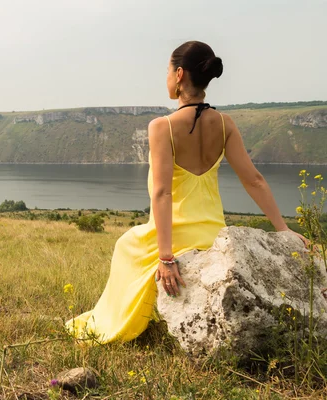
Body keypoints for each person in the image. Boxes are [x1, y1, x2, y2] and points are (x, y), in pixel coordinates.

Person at [65, 40, 307, 344]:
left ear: (179, 74)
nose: (165, 76)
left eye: (167, 70)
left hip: (173, 236)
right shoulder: (225, 123)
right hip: (212, 234)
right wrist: (283, 229)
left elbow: (163, 193)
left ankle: (117, 325)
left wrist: (166, 257)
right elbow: (254, 180)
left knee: (127, 245)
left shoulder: (162, 127)